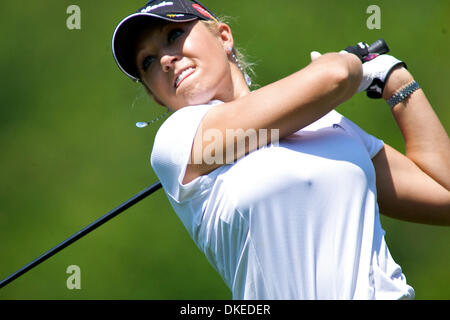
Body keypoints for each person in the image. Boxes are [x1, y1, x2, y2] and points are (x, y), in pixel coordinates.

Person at [112, 0, 450, 299]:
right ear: (156, 96)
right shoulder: (177, 142)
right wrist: (347, 66)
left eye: (173, 36)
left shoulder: (326, 122)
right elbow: (333, 75)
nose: (167, 60)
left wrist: (396, 80)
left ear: (224, 37)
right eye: (149, 63)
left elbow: (444, 196)